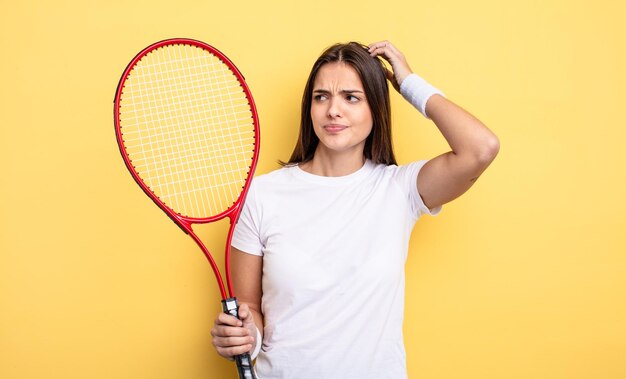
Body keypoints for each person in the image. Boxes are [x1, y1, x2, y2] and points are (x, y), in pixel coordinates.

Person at [211, 40, 499, 378]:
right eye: (322, 97)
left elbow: (481, 148)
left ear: (375, 108)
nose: (334, 110)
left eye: (351, 97)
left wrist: (408, 82)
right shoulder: (262, 195)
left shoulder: (399, 189)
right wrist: (245, 337)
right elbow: (250, 308)